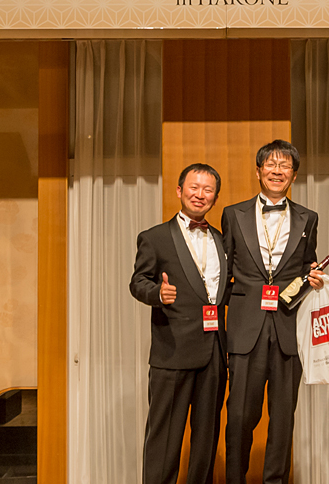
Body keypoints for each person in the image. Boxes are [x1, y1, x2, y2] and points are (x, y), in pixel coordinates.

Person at [221, 139, 323, 484]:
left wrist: (312, 278)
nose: (277, 171)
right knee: (239, 415)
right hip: (244, 328)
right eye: (271, 164)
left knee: (282, 419)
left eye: (285, 166)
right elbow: (223, 271)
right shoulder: (232, 214)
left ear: (294, 174)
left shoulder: (309, 218)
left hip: (288, 329)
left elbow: (306, 267)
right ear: (258, 171)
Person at [129, 163, 228, 484]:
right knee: (164, 440)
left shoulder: (222, 239)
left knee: (206, 439)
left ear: (215, 197)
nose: (200, 194)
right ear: (179, 190)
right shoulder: (154, 237)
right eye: (194, 187)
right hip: (171, 352)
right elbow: (137, 282)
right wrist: (158, 293)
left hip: (214, 353)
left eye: (208, 190)